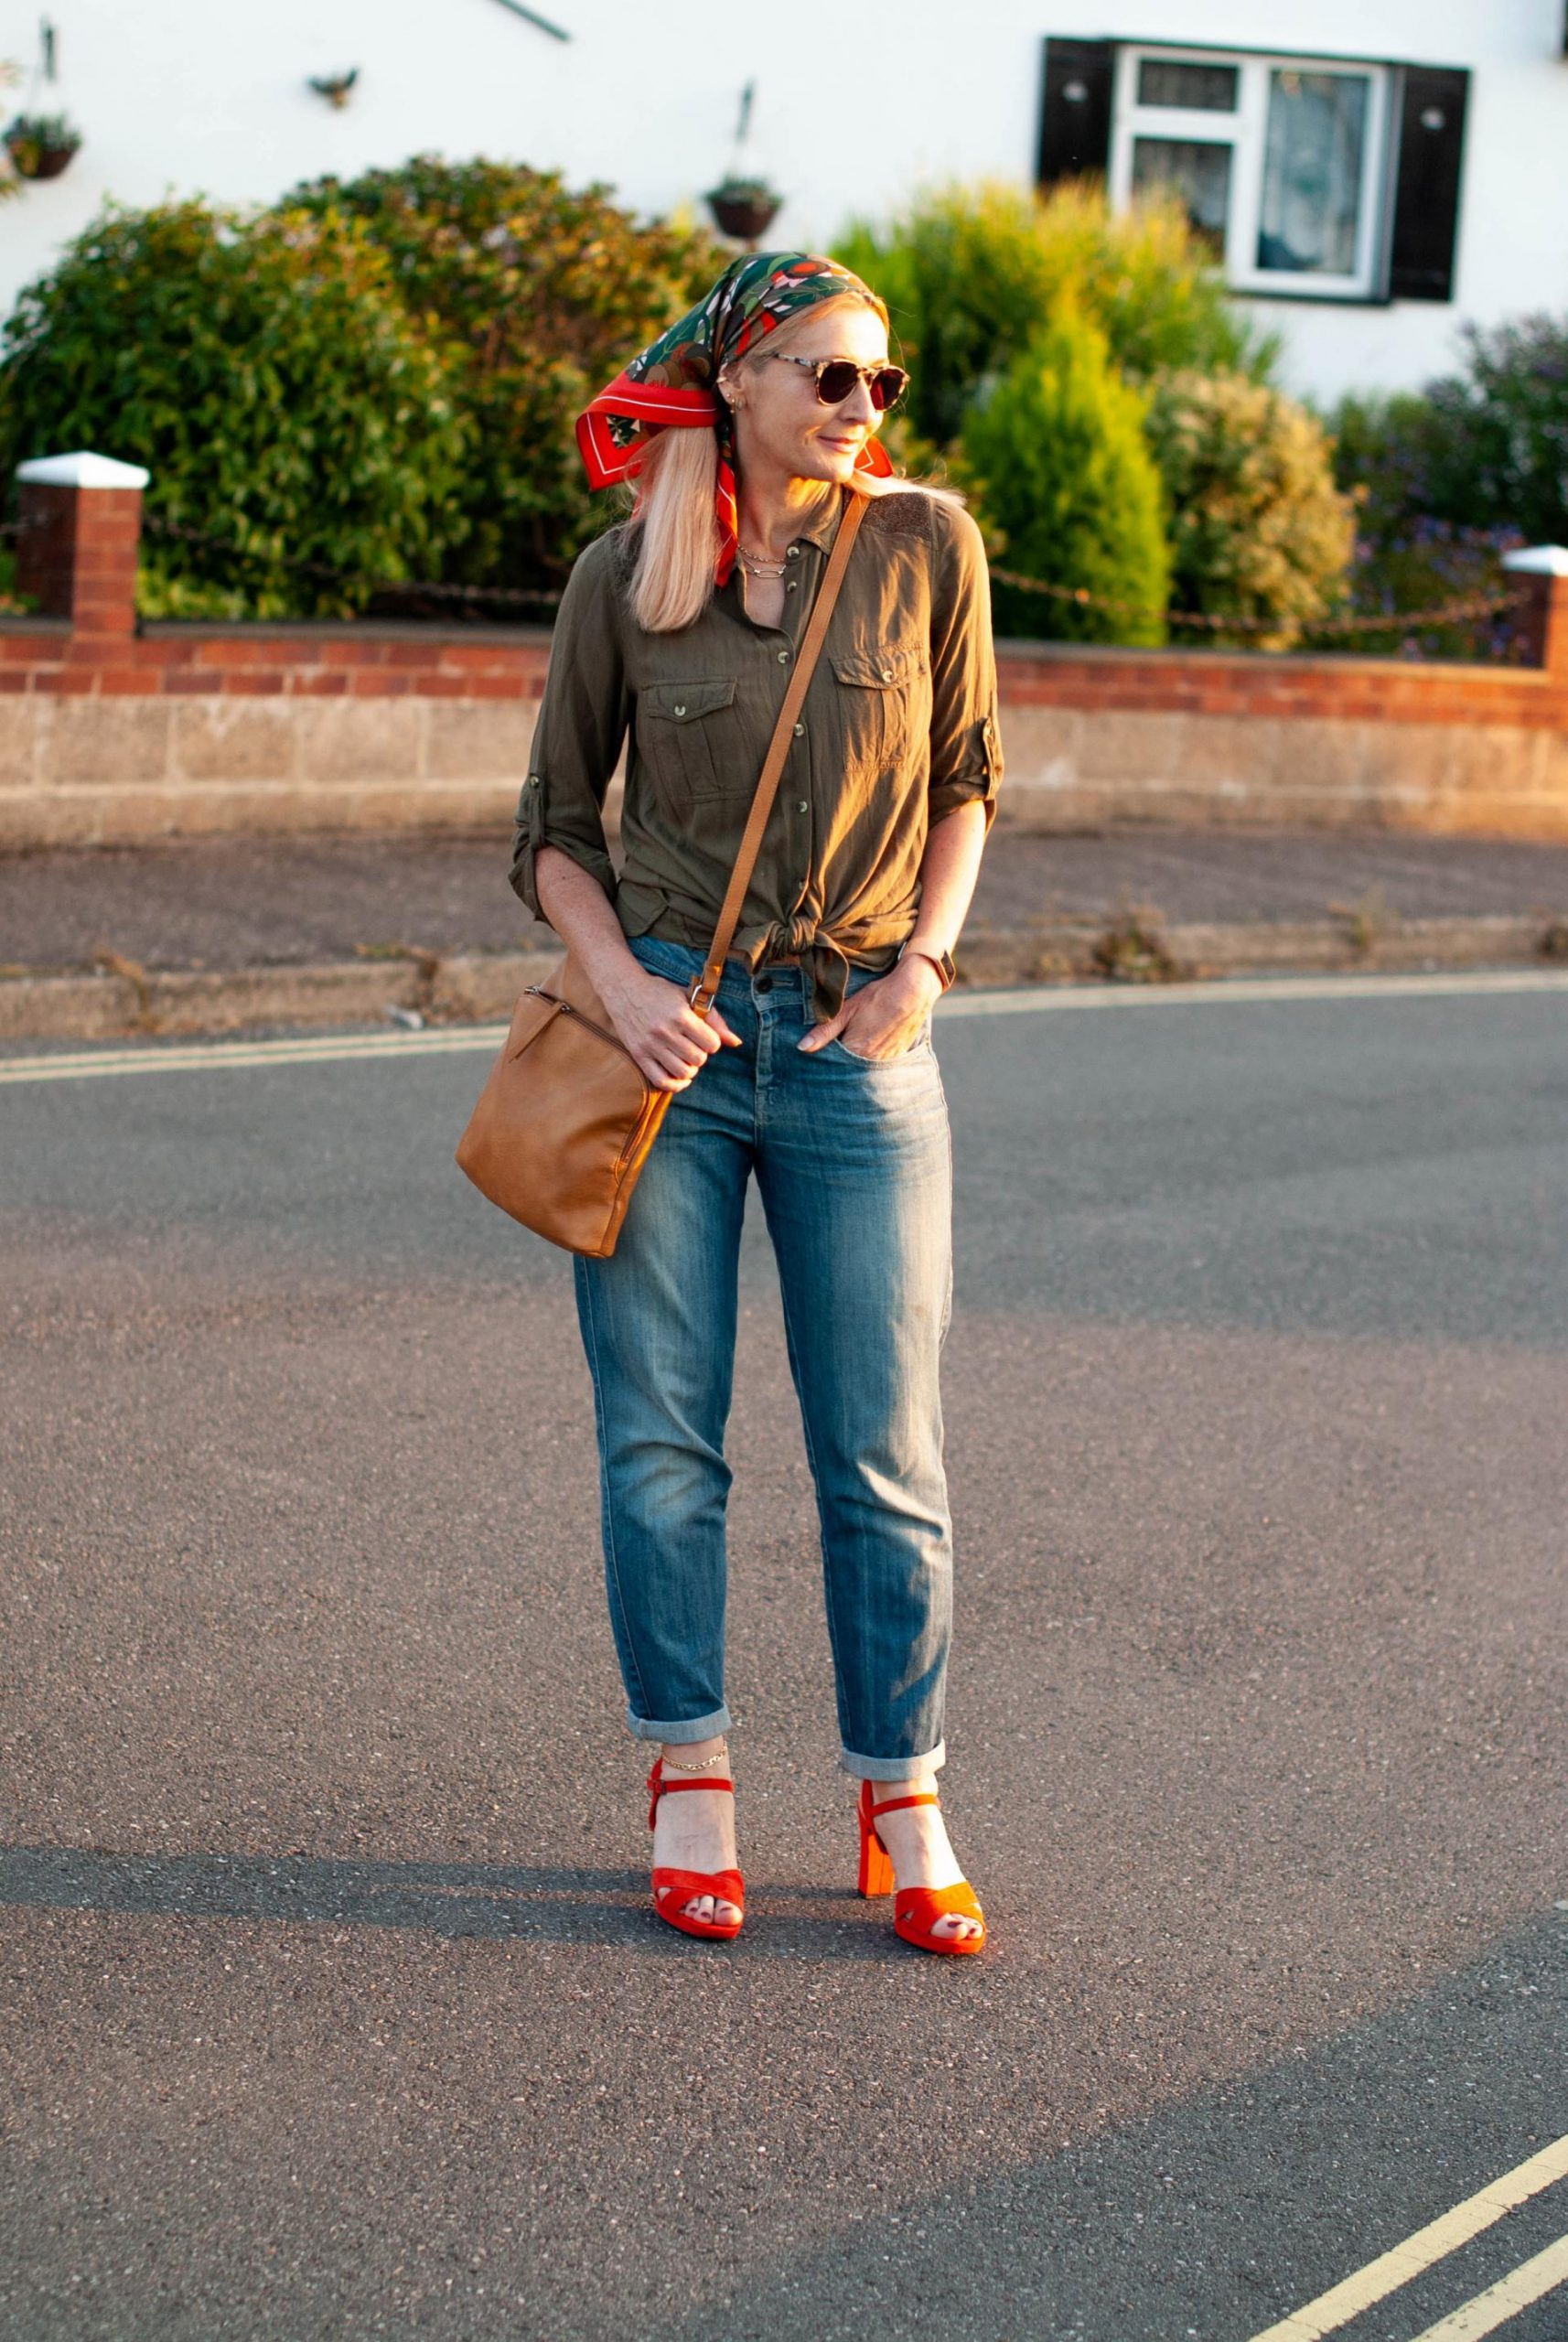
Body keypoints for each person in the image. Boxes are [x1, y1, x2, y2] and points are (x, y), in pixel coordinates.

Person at [510, 252, 1002, 1954]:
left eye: (880, 382)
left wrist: (920, 974)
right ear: (736, 380)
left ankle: (901, 1790)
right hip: (675, 1046)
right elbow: (552, 832)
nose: (861, 410)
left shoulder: (926, 547)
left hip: (864, 1044)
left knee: (885, 1454)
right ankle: (690, 1776)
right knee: (662, 1447)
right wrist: (631, 993)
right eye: (826, 377)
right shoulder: (622, 578)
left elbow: (964, 785)